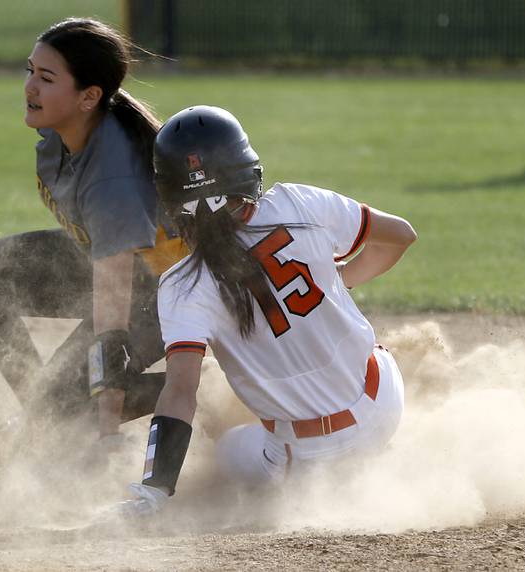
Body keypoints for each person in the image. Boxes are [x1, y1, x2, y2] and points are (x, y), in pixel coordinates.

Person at [119, 105, 417, 515]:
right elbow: (402, 235)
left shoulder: (181, 286)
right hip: (384, 405)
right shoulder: (300, 203)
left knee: (223, 445)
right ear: (246, 169)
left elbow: (180, 393)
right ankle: (380, 455)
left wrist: (155, 489)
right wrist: (339, 278)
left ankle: (315, 479)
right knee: (368, 350)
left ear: (169, 198)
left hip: (306, 458)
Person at [0, 18, 186, 462]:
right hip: (102, 261)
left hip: (163, 294)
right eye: (30, 71)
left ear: (89, 97)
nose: (30, 86)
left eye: (47, 78)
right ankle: (41, 416)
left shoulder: (113, 178)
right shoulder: (61, 129)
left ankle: (203, 386)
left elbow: (113, 321)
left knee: (66, 407)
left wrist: (105, 430)